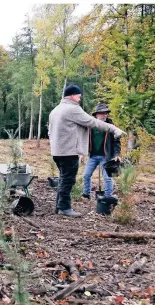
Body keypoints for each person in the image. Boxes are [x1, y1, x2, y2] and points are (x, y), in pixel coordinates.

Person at [48, 85, 126, 217]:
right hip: (69, 152)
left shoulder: (55, 110)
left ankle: (59, 206)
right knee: (68, 180)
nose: (79, 99)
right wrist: (113, 129)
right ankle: (64, 208)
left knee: (63, 179)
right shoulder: (72, 109)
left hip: (57, 152)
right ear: (72, 96)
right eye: (78, 96)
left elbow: (49, 131)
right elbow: (93, 122)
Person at [82, 103, 121, 199]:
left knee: (107, 178)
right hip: (93, 156)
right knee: (86, 175)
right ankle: (86, 194)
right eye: (102, 113)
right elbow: (84, 139)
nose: (104, 115)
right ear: (96, 115)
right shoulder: (90, 126)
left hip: (106, 156)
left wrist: (116, 154)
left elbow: (116, 141)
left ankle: (108, 197)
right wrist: (82, 153)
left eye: (106, 113)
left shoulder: (111, 126)